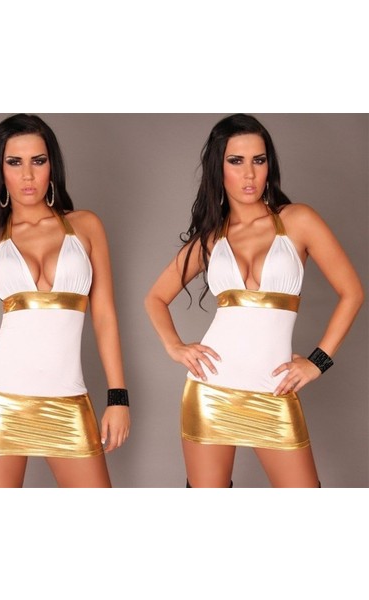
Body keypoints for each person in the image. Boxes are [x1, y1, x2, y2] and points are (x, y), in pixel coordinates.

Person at [145, 113, 364, 488]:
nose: (249, 174)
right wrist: (175, 346)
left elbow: (352, 292)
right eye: (236, 161)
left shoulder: (297, 220)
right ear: (219, 168)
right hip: (210, 390)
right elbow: (155, 297)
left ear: (269, 166)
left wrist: (318, 362)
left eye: (258, 160)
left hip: (272, 390)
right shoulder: (211, 237)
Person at [0, 113, 130, 488]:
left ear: (52, 166)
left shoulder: (85, 226)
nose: (28, 175)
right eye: (15, 162)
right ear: (1, 170)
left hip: (67, 400)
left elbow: (105, 317)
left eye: (38, 160)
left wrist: (118, 398)